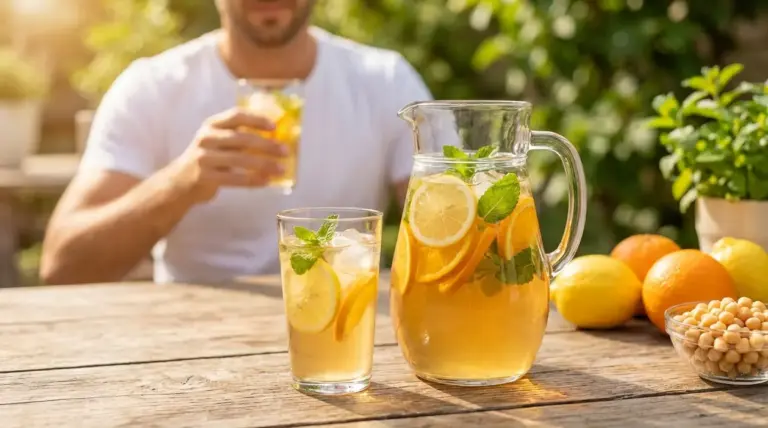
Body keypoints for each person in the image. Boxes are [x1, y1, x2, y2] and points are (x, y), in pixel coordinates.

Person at [40, 0, 432, 285]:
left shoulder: (385, 81)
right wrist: (179, 184)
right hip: (188, 343)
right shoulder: (152, 87)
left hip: (341, 328)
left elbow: (448, 225)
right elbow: (62, 266)